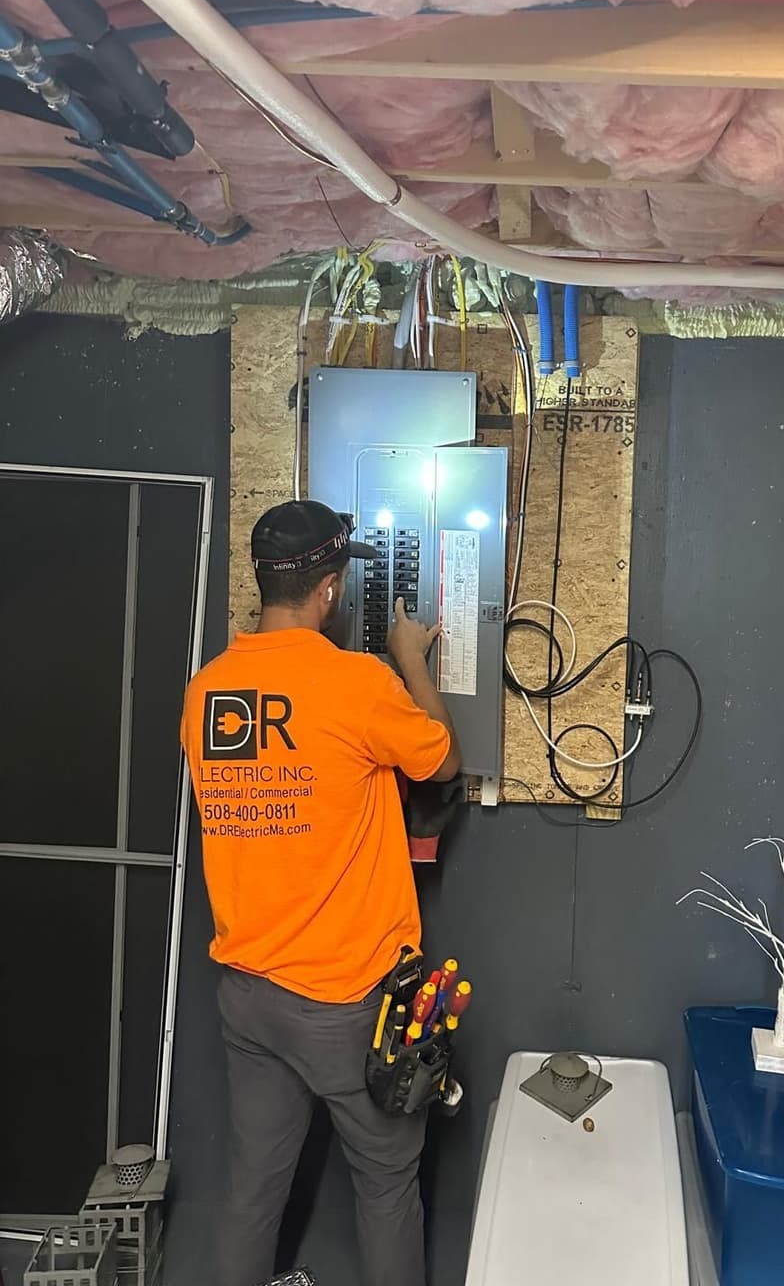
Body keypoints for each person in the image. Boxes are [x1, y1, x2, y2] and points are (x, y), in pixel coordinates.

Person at [180, 499, 461, 1286]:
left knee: (251, 1192)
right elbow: (440, 764)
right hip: (346, 1004)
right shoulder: (356, 683)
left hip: (249, 995)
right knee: (385, 1186)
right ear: (331, 590)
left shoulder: (207, 693)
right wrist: (410, 658)